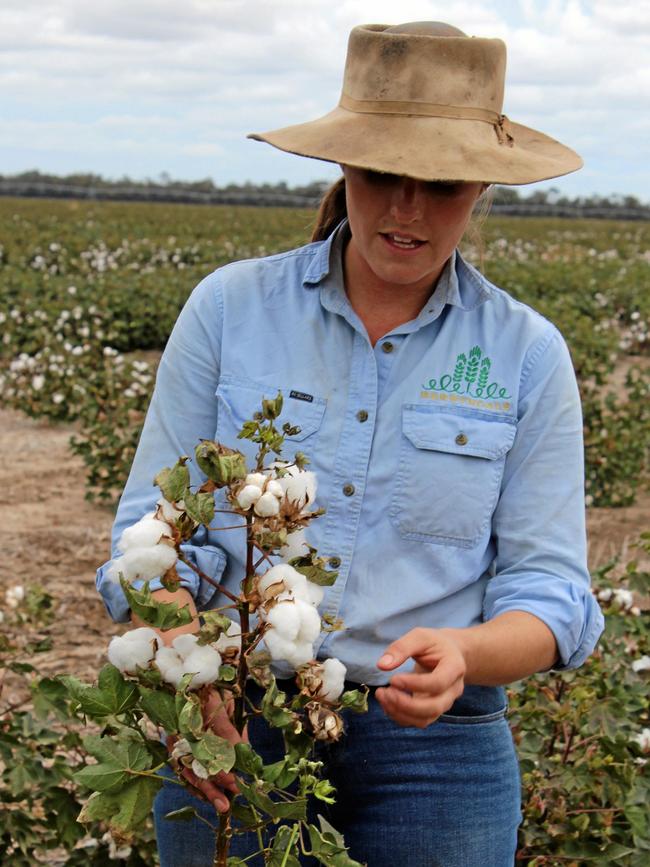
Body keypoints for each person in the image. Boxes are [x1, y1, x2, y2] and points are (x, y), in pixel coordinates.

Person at [96, 21, 605, 867]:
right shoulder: (228, 310)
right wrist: (190, 662)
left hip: (437, 751)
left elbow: (552, 592)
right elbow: (149, 538)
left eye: (440, 184)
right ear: (344, 167)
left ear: (480, 188)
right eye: (381, 175)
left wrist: (464, 655)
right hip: (232, 718)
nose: (407, 209)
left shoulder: (525, 353)